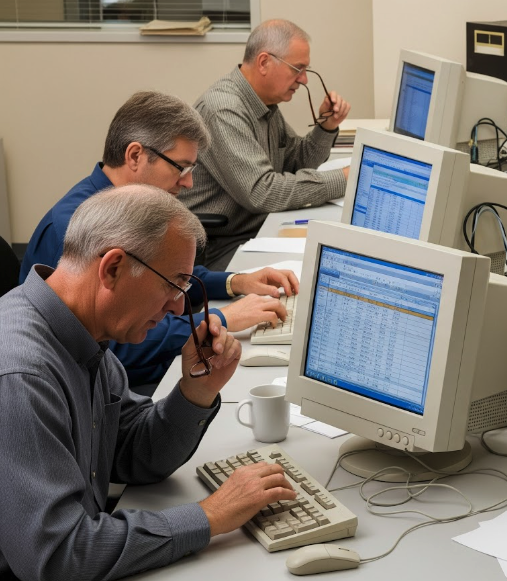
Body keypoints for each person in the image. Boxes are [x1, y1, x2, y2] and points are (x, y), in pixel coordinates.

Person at [0, 186, 296, 580]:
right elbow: (58, 556)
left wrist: (196, 391)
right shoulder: (22, 374)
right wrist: (209, 516)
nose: (178, 306)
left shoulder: (86, 333)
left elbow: (133, 454)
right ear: (113, 268)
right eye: (173, 285)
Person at [20, 91, 297, 388]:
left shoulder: (131, 208)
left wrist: (235, 282)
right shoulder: (74, 229)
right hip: (114, 385)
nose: (188, 182)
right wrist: (217, 320)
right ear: (136, 156)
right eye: (181, 167)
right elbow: (117, 346)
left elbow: (158, 277)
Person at [181, 19, 352, 270]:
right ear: (264, 62)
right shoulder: (224, 109)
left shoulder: (264, 103)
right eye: (297, 68)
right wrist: (345, 179)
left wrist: (326, 126)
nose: (304, 80)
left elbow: (298, 161)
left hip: (254, 227)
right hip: (219, 245)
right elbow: (263, 192)